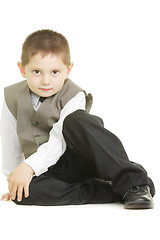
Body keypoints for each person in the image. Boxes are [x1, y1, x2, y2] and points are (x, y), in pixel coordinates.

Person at [0, 29, 155, 209]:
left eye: (55, 72)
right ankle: (112, 190)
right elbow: (9, 142)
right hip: (50, 171)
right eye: (36, 71)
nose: (45, 81)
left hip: (80, 160)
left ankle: (133, 182)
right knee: (25, 195)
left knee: (76, 120)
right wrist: (15, 181)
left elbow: (59, 141)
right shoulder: (11, 96)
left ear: (68, 70)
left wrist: (29, 166)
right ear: (22, 69)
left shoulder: (74, 95)